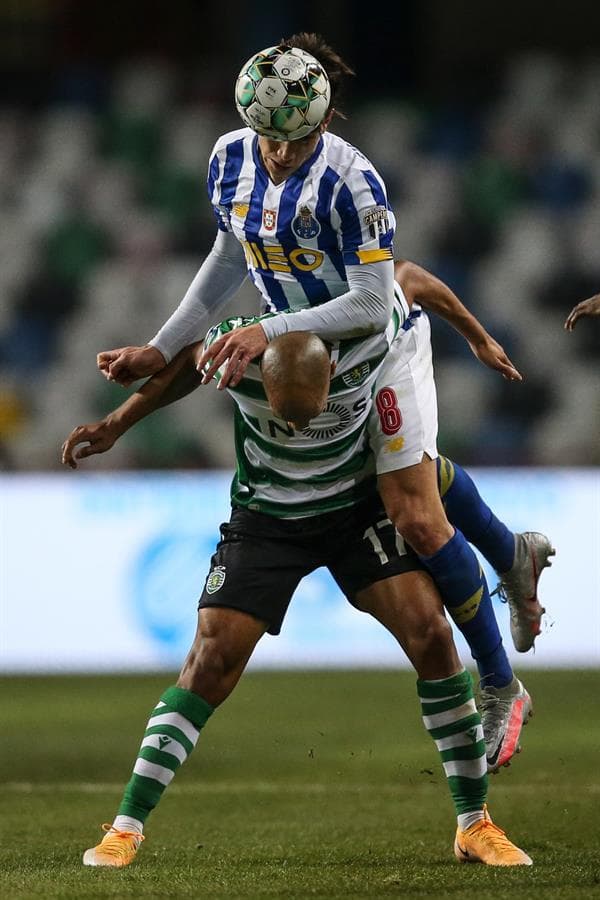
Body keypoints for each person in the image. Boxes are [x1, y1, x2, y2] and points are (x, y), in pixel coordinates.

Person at [94, 34, 553, 763]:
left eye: (294, 139)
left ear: (324, 121)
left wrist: (268, 328)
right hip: (306, 363)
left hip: (377, 352)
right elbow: (226, 255)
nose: (277, 152)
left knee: (413, 515)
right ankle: (509, 551)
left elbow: (375, 301)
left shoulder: (355, 183)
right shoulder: (227, 159)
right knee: (404, 482)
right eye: (267, 138)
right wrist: (160, 343)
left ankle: (501, 684)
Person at [62, 327, 532, 869]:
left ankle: (474, 824)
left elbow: (413, 278)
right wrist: (116, 424)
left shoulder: (363, 342)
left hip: (356, 513)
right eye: (286, 415)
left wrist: (476, 337)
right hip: (266, 521)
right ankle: (123, 830)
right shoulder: (232, 350)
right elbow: (191, 361)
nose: (297, 426)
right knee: (209, 661)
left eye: (308, 415)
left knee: (431, 632)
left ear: (334, 374)